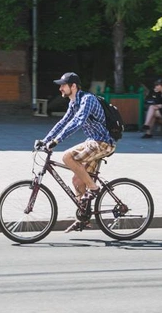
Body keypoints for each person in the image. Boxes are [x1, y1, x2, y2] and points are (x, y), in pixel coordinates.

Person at [37, 72, 116, 231]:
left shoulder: (87, 100)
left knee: (67, 157)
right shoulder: (73, 103)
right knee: (77, 180)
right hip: (93, 142)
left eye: (63, 85)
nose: (60, 88)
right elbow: (63, 122)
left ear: (73, 86)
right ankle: (84, 218)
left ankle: (94, 189)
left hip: (103, 142)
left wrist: (57, 141)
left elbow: (78, 122)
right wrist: (45, 140)